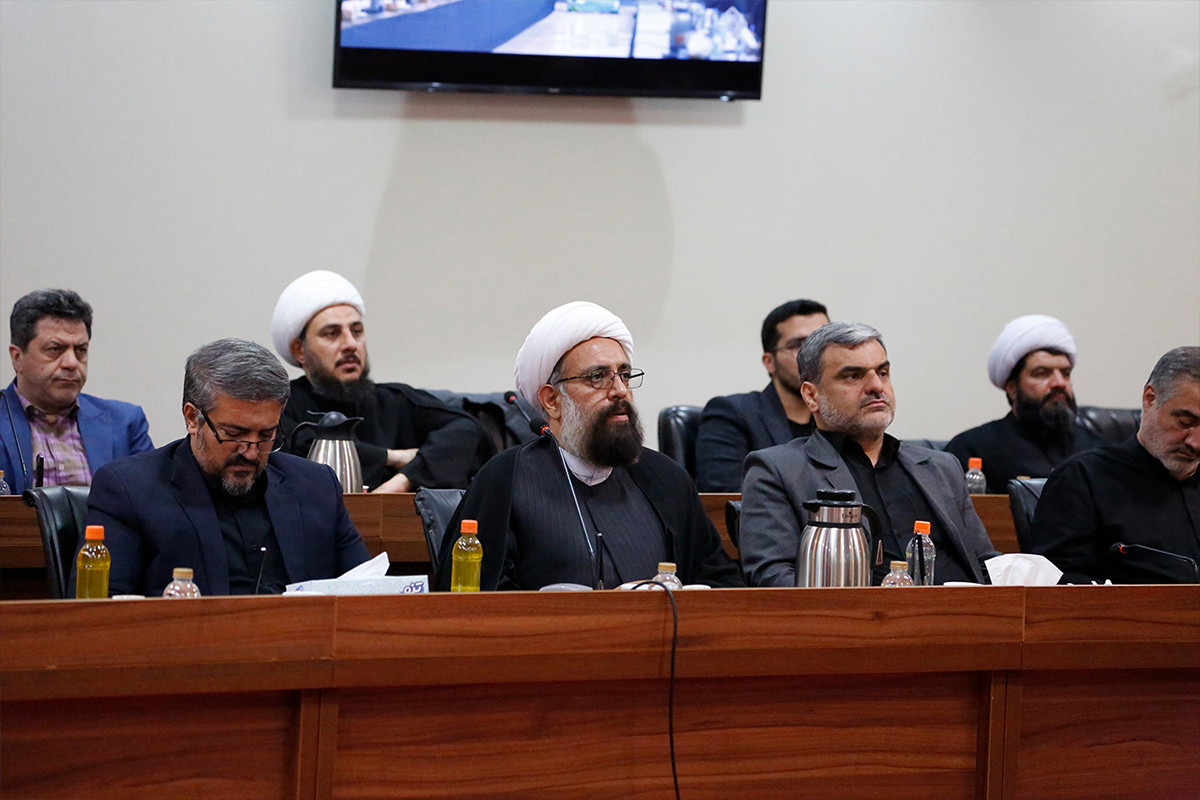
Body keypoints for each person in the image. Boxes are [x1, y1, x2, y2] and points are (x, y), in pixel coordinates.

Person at [435, 301, 743, 591]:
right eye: (598, 377)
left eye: (624, 375)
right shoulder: (506, 480)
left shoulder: (665, 477)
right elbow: (474, 606)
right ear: (552, 400)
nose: (620, 391)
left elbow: (722, 585)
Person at [78, 338, 370, 597]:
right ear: (192, 418)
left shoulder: (316, 487)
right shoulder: (130, 490)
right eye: (234, 434)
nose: (251, 452)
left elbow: (368, 592)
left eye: (266, 435)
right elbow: (97, 616)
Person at [739, 321, 1000, 587]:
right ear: (811, 396)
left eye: (883, 373)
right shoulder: (779, 471)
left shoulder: (941, 467)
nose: (876, 386)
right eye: (853, 376)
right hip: (856, 612)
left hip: (967, 609)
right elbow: (773, 577)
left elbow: (987, 565)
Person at [271, 270, 489, 492]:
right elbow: (299, 453)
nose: (350, 344)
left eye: (357, 331)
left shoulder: (394, 401)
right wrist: (390, 457)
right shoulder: (281, 406)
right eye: (332, 334)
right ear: (299, 350)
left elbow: (465, 430)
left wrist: (402, 482)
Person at [1030, 346, 1200, 584]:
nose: (1195, 443)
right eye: (1185, 421)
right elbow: (1056, 584)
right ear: (1150, 399)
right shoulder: (1082, 479)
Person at [2, 289, 152, 494]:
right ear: (17, 357)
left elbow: (150, 501)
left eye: (81, 350)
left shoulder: (125, 423)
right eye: (55, 349)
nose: (72, 363)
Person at [946, 314, 1106, 493]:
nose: (1059, 383)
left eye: (1065, 373)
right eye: (1042, 373)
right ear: (1012, 388)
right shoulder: (973, 449)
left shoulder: (1097, 449)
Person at [694, 299, 830, 492]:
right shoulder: (731, 414)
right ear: (769, 362)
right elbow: (727, 497)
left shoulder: (840, 418)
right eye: (798, 345)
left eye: (822, 344)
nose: (814, 356)